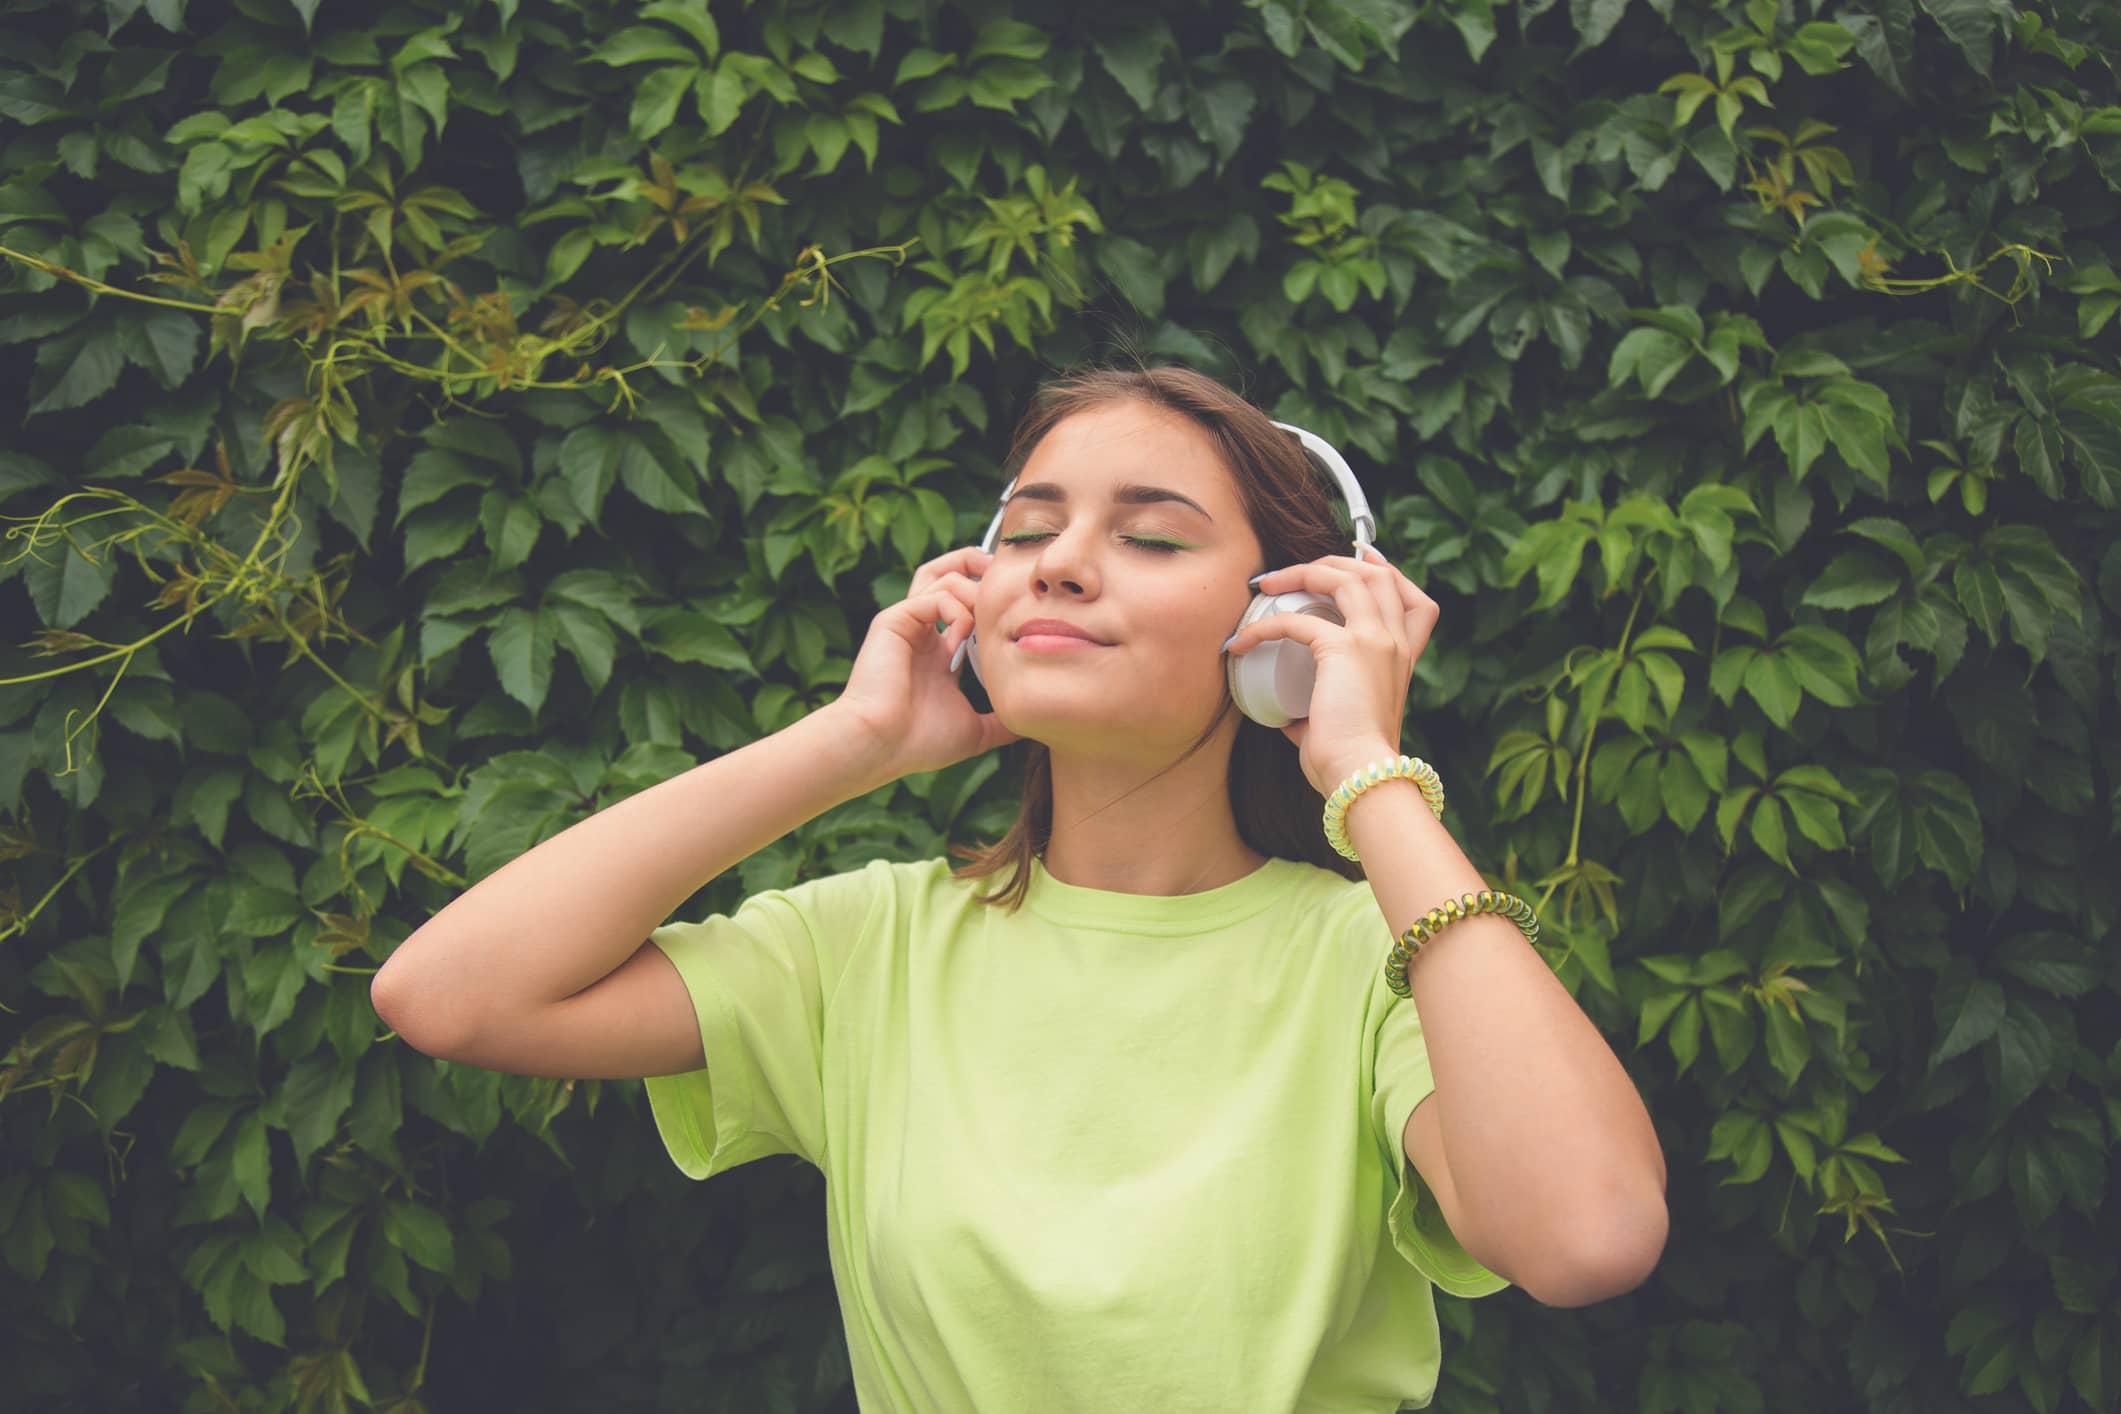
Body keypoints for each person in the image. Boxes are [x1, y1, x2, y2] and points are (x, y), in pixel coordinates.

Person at [372, 365, 1669, 1412]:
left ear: (1279, 630)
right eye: (1029, 529)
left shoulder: (1375, 959)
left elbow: (1585, 1235)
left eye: (1150, 535)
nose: (1055, 563)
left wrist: (1367, 768)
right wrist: (851, 743)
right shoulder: (870, 945)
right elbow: (448, 995)